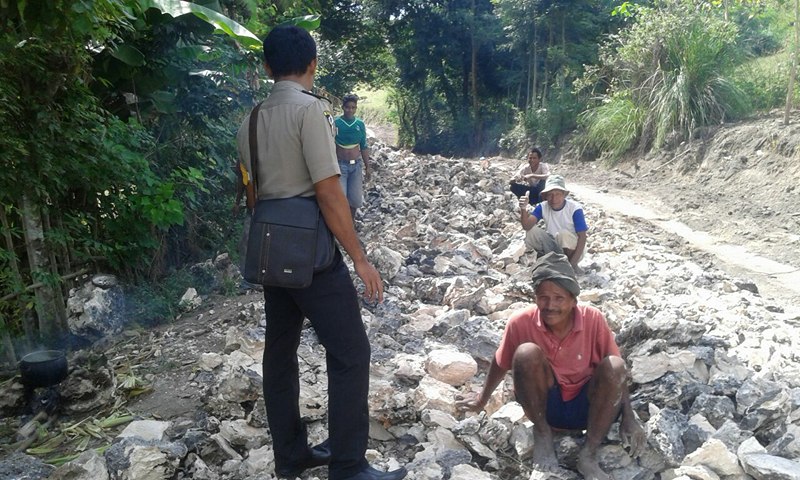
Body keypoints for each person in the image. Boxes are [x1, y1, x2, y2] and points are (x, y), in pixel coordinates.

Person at [235, 26, 406, 480]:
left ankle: (290, 458)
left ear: (267, 67)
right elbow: (329, 192)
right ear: (312, 65)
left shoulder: (250, 120)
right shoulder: (311, 112)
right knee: (351, 352)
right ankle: (348, 466)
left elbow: (254, 196)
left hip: (272, 254)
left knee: (280, 354)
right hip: (313, 255)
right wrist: (360, 258)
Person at [455, 252, 646, 480]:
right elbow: (500, 361)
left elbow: (617, 373)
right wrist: (481, 400)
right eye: (543, 297)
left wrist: (629, 416)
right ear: (535, 298)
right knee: (526, 352)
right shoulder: (521, 322)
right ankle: (543, 434)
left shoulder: (593, 319)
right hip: (546, 408)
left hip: (589, 410)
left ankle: (589, 452)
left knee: (615, 363)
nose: (550, 306)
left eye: (559, 298)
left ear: (573, 301)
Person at [519, 174, 587, 270]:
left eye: (557, 194)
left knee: (563, 234)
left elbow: (582, 237)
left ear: (564, 195)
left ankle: (569, 265)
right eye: (550, 194)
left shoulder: (574, 209)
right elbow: (527, 226)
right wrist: (523, 208)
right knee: (531, 232)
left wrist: (573, 264)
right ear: (546, 196)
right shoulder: (543, 206)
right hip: (554, 247)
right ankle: (550, 261)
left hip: (574, 251)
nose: (554, 199)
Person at [335, 94, 370, 219]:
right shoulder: (336, 123)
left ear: (356, 108)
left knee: (355, 199)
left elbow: (363, 145)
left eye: (353, 107)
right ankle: (340, 227)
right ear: (343, 107)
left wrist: (368, 166)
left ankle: (351, 226)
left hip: (356, 165)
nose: (350, 110)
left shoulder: (359, 124)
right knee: (341, 198)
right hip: (340, 166)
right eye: (348, 107)